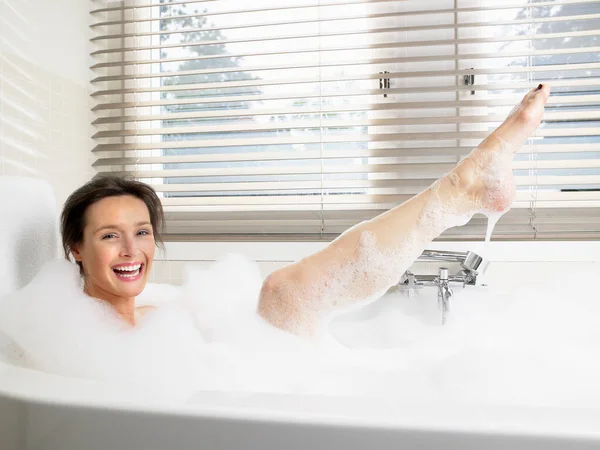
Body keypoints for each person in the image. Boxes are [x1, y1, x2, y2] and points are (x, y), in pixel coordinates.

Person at [60, 84, 550, 337]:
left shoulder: (157, 312)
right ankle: (458, 189)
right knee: (283, 291)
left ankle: (461, 189)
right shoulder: (79, 338)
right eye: (109, 236)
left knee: (283, 293)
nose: (132, 250)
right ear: (75, 248)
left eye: (142, 232)